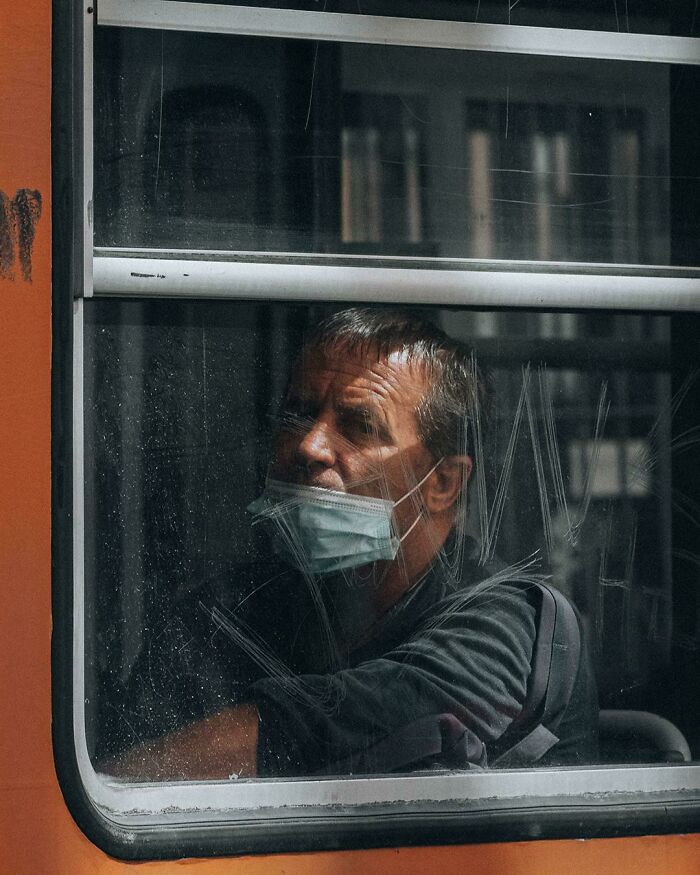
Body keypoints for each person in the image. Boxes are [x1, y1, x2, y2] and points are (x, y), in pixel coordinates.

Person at [104, 308, 598, 780]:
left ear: (443, 482)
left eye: (360, 427)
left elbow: (324, 733)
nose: (309, 446)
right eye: (299, 415)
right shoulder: (231, 613)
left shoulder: (513, 624)